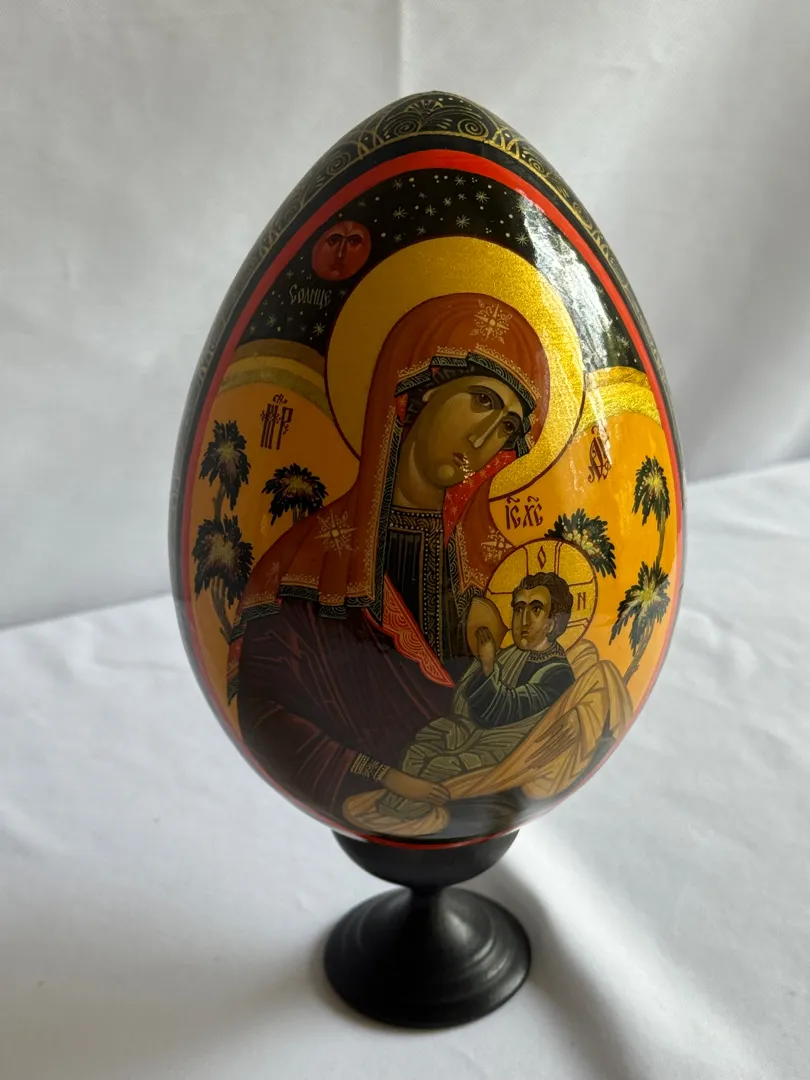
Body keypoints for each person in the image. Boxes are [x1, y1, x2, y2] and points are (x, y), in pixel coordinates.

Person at [226, 293, 550, 824]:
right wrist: (380, 774)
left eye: (508, 429)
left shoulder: (487, 579)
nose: (483, 439)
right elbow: (266, 708)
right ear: (420, 390)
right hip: (378, 799)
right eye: (482, 401)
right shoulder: (308, 565)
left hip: (478, 791)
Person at [373, 572, 576, 822]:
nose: (523, 619)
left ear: (553, 623)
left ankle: (409, 818)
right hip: (475, 731)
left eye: (536, 609)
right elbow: (466, 706)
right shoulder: (511, 654)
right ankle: (393, 812)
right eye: (518, 609)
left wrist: (488, 665)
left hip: (509, 750)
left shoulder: (557, 673)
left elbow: (503, 712)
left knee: (440, 766)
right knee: (423, 747)